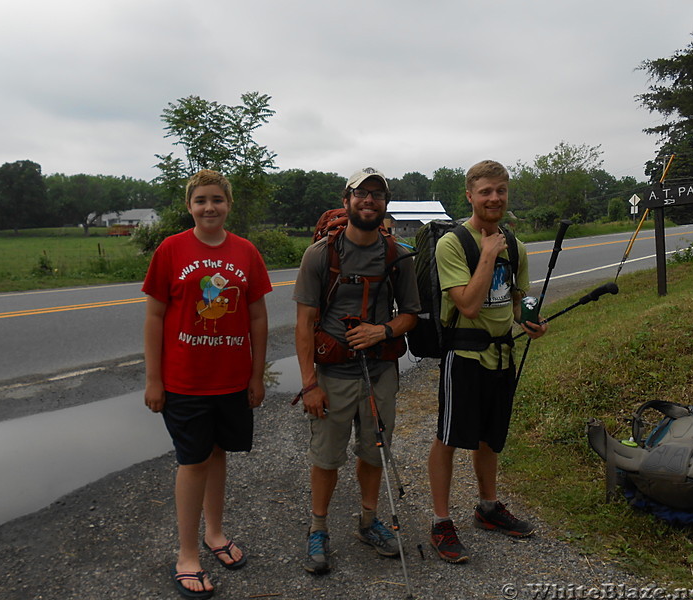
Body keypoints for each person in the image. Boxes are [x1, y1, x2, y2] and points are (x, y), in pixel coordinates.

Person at [142, 169, 272, 599]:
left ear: (228, 204)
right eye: (201, 200)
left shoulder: (246, 252)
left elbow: (256, 316)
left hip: (231, 381)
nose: (209, 207)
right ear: (189, 206)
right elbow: (155, 317)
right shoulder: (171, 250)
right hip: (185, 382)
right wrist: (154, 380)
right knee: (193, 460)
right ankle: (186, 554)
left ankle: (215, 534)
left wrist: (256, 375)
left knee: (218, 454)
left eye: (217, 199)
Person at [293, 167, 420, 574]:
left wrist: (380, 331)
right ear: (347, 200)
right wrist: (309, 383)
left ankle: (368, 521)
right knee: (326, 457)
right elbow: (304, 323)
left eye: (377, 195)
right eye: (361, 193)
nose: (369, 200)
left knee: (373, 450)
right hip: (332, 374)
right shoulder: (320, 255)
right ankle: (318, 529)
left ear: (385, 205)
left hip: (380, 371)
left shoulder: (398, 255)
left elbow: (412, 316)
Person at [427, 160, 547, 564]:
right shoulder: (453, 244)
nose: (494, 198)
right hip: (463, 355)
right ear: (470, 196)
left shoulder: (515, 245)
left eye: (500, 190)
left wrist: (530, 321)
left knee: (490, 437)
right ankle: (441, 522)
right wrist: (487, 253)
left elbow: (517, 301)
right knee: (448, 437)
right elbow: (469, 305)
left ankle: (488, 508)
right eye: (485, 191)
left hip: (501, 356)